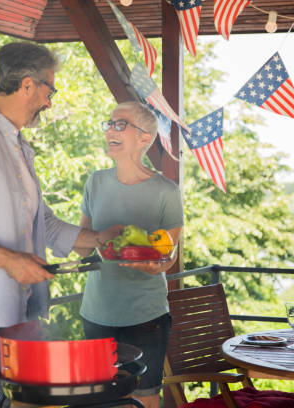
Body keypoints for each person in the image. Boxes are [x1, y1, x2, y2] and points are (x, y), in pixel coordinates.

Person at [0, 42, 121, 408]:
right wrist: (11, 261)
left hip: (18, 309)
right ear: (27, 84)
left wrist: (97, 239)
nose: (50, 101)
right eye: (49, 89)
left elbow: (39, 221)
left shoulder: (16, 145)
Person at [76, 101, 183, 408]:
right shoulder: (95, 182)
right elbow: (83, 244)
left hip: (145, 316)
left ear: (145, 137)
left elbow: (167, 254)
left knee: (145, 398)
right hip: (96, 314)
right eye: (108, 123)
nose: (110, 129)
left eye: (120, 124)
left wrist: (152, 264)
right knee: (101, 400)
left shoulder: (166, 192)